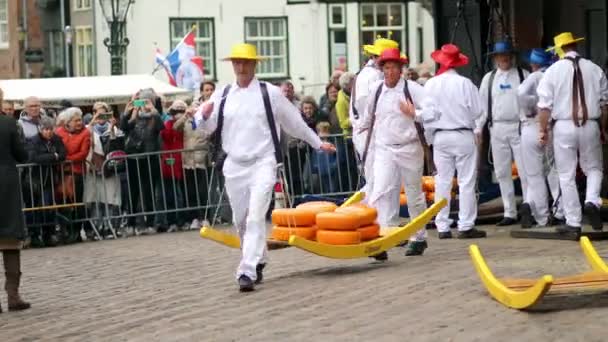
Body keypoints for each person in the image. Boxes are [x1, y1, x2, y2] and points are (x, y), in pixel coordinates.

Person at [197, 43, 335, 292]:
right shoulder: (223, 93)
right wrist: (204, 115)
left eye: (245, 62)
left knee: (255, 216)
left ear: (254, 64)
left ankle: (247, 270)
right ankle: (258, 258)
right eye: (236, 62)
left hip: (263, 161)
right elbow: (206, 126)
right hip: (234, 164)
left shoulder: (268, 93)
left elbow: (294, 121)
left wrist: (317, 143)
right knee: (240, 219)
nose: (240, 67)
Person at [360, 47, 430, 258]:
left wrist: (415, 113)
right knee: (380, 191)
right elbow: (367, 117)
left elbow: (434, 111)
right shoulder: (376, 90)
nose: (390, 72)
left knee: (413, 194)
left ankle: (419, 238)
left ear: (401, 69)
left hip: (410, 148)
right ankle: (381, 240)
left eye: (394, 67)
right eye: (386, 67)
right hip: (384, 148)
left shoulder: (413, 89)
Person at [538, 32, 608, 233]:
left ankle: (574, 222)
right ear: (575, 47)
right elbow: (605, 106)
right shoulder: (595, 69)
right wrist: (603, 128)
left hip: (563, 126)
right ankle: (592, 201)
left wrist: (542, 130)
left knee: (566, 174)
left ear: (559, 50)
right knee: (594, 168)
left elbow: (544, 108)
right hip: (590, 124)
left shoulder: (551, 72)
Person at [423, 43, 488, 240]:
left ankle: (442, 225)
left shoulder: (431, 84)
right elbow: (478, 111)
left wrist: (429, 138)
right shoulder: (465, 84)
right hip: (462, 134)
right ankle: (465, 225)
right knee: (466, 181)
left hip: (440, 136)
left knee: (442, 181)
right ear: (457, 63)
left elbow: (426, 114)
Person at [477, 41, 529, 226]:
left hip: (519, 127)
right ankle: (509, 212)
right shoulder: (488, 79)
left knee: (525, 170)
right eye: (500, 55)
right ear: (495, 58)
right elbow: (482, 107)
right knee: (501, 172)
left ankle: (529, 208)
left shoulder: (524, 75)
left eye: (507, 54)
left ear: (512, 56)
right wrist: (478, 129)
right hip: (497, 127)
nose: (504, 58)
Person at [517, 49, 564, 228]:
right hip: (551, 126)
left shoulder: (533, 77)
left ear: (533, 64)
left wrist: (529, 108)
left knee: (534, 175)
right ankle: (560, 211)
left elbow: (521, 93)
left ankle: (542, 218)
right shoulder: (554, 75)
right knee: (554, 171)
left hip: (531, 126)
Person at [350, 38, 399, 203]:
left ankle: (375, 215)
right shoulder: (370, 76)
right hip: (368, 134)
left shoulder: (371, 74)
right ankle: (373, 217)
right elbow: (366, 107)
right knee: (376, 178)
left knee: (379, 178)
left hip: (371, 132)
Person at [0, 93, 31, 312]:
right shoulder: (9, 124)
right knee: (10, 241)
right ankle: (13, 295)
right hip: (6, 184)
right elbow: (21, 155)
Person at [121, 93, 164, 235]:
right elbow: (124, 128)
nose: (142, 105)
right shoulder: (134, 117)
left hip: (149, 158)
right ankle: (132, 224)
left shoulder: (154, 117)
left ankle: (150, 223)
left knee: (149, 192)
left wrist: (153, 110)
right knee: (132, 193)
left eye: (146, 101)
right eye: (140, 102)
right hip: (133, 158)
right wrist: (127, 112)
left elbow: (161, 126)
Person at [83, 102, 125, 239]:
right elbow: (84, 138)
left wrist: (112, 127)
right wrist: (92, 123)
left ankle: (111, 227)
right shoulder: (88, 129)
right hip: (93, 170)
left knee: (111, 199)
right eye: (97, 112)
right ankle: (97, 228)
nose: (100, 116)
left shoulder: (114, 128)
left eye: (103, 113)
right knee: (95, 199)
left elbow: (117, 144)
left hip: (109, 170)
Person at [26, 117, 67, 247]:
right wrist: (52, 156)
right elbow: (34, 158)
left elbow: (62, 154)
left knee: (48, 207)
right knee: (34, 208)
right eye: (45, 129)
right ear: (40, 129)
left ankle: (48, 234)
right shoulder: (33, 140)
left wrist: (53, 156)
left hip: (49, 179)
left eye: (50, 129)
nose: (48, 132)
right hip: (34, 179)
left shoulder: (56, 139)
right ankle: (34, 235)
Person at [55, 107, 92, 242]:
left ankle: (76, 231)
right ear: (68, 122)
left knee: (77, 204)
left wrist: (67, 159)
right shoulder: (59, 132)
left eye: (80, 120)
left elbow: (83, 153)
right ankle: (65, 230)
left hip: (76, 173)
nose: (79, 123)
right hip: (60, 173)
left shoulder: (85, 133)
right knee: (62, 204)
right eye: (75, 120)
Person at [174, 101, 211, 230]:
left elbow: (210, 134)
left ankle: (205, 217)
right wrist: (185, 115)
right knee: (191, 191)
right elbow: (175, 127)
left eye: (197, 108)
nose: (194, 110)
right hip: (188, 161)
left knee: (202, 191)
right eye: (193, 107)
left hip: (201, 160)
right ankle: (194, 218)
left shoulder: (205, 121)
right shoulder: (186, 121)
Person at [158, 100, 187, 232]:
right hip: (169, 165)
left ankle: (183, 220)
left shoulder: (188, 125)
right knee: (170, 195)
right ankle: (172, 221)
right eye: (176, 112)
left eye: (181, 112)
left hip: (184, 164)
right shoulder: (167, 124)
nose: (178, 114)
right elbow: (167, 136)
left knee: (183, 194)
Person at [336, 72, 355, 136]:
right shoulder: (341, 101)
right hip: (349, 136)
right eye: (353, 82)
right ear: (347, 85)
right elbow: (343, 123)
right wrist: (357, 119)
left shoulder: (352, 95)